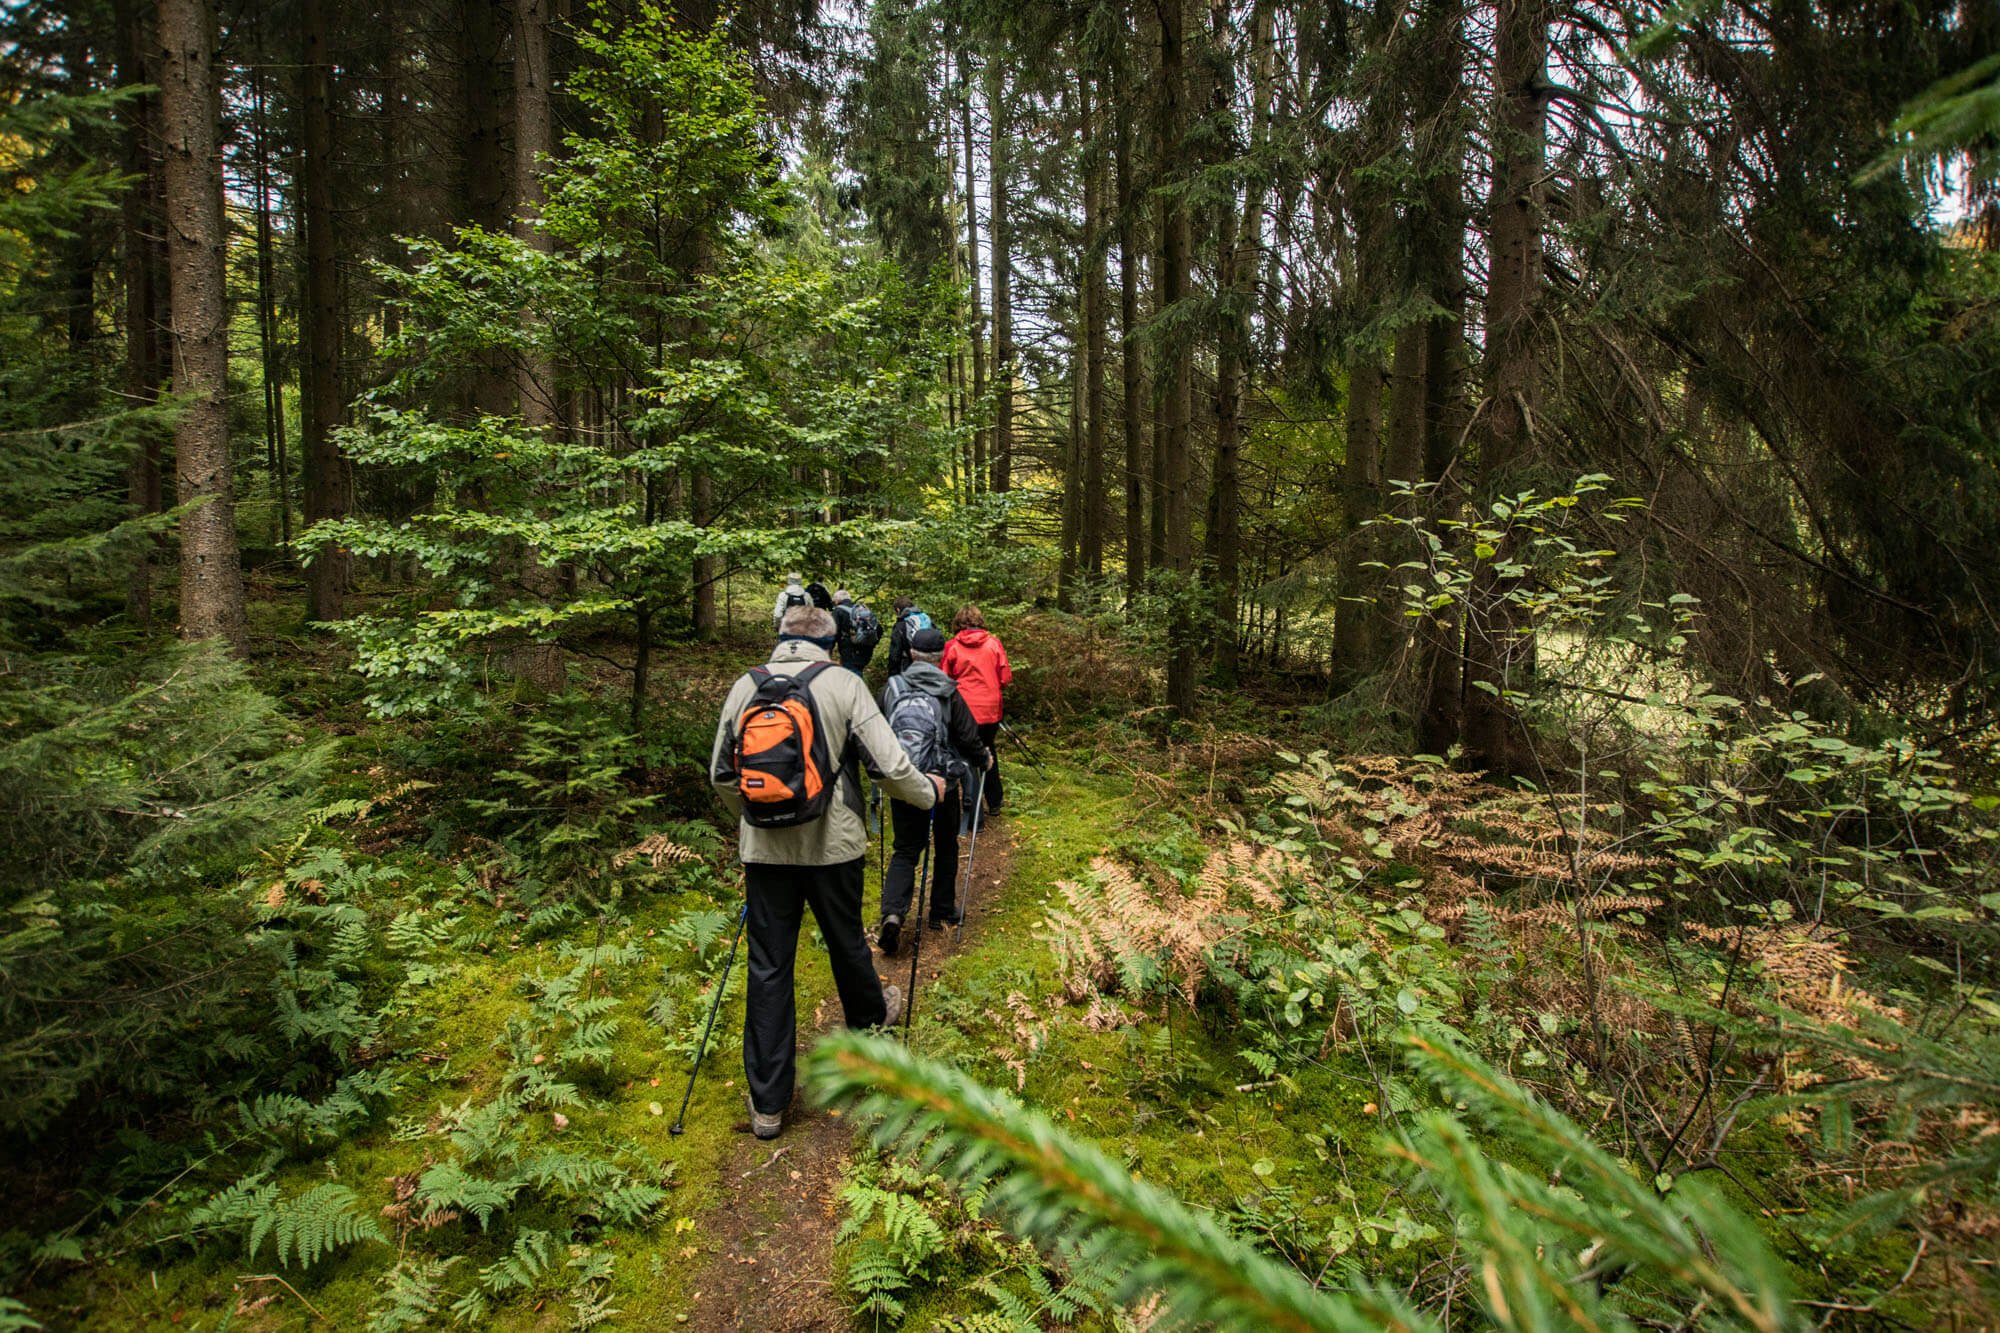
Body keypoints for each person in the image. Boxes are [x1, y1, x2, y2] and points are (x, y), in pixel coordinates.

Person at [710, 605, 944, 1140]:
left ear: (780, 638)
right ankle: (869, 1027)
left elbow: (723, 774)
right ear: (833, 643)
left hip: (764, 852)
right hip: (834, 846)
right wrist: (929, 792)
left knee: (769, 966)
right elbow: (888, 765)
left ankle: (768, 1105)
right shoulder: (843, 684)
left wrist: (753, 820)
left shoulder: (745, 687)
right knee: (845, 942)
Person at [875, 627, 989, 956]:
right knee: (946, 845)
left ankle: (893, 913)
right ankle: (941, 910)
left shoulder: (891, 688)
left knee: (906, 850)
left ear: (911, 653)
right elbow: (967, 738)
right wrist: (984, 759)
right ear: (941, 657)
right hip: (941, 782)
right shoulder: (948, 690)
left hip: (902, 780)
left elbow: (876, 730)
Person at [942, 604, 1012, 814]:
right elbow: (1006, 677)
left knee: (967, 755)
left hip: (963, 710)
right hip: (991, 708)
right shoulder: (994, 644)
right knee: (988, 749)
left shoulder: (952, 646)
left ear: (958, 623)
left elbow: (944, 679)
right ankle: (995, 802)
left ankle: (974, 811)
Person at [831, 589, 883, 674]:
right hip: (866, 649)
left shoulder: (838, 611)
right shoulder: (862, 610)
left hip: (850, 651)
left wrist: (828, 650)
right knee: (857, 672)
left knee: (851, 676)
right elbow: (879, 629)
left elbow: (833, 632)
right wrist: (872, 643)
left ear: (837, 600)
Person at [884, 597, 935, 678]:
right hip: (931, 665)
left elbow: (895, 655)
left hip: (909, 667)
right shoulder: (927, 619)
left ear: (897, 610)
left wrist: (892, 675)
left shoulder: (900, 626)